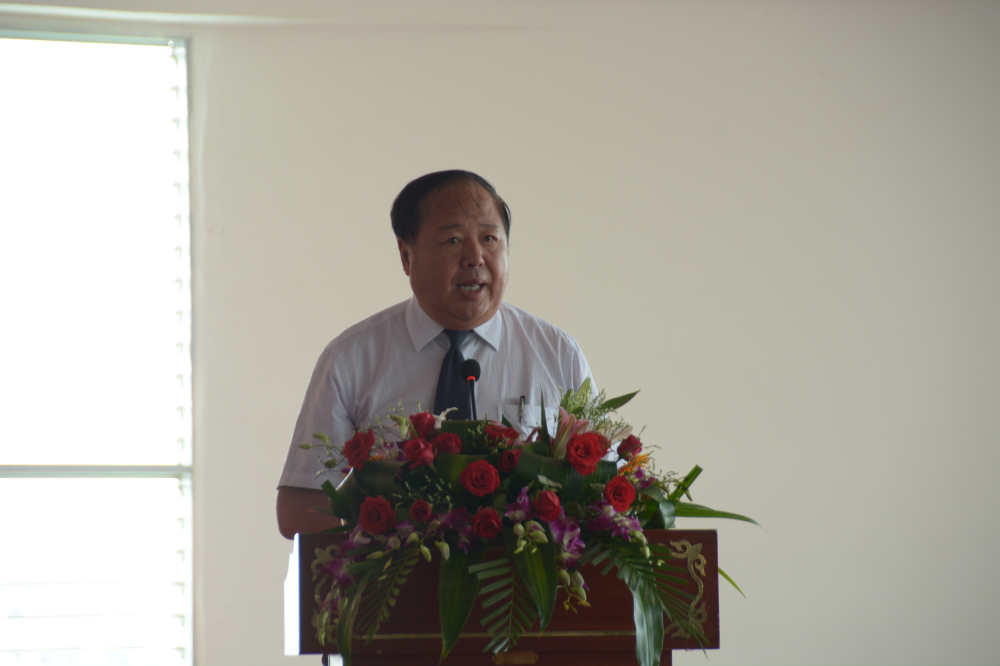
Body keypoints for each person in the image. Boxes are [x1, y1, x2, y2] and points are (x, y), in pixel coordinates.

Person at [276, 170, 593, 538]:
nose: (475, 257)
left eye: (489, 238)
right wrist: (387, 543)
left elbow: (605, 495)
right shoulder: (351, 360)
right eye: (453, 240)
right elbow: (300, 511)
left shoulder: (558, 356)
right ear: (406, 255)